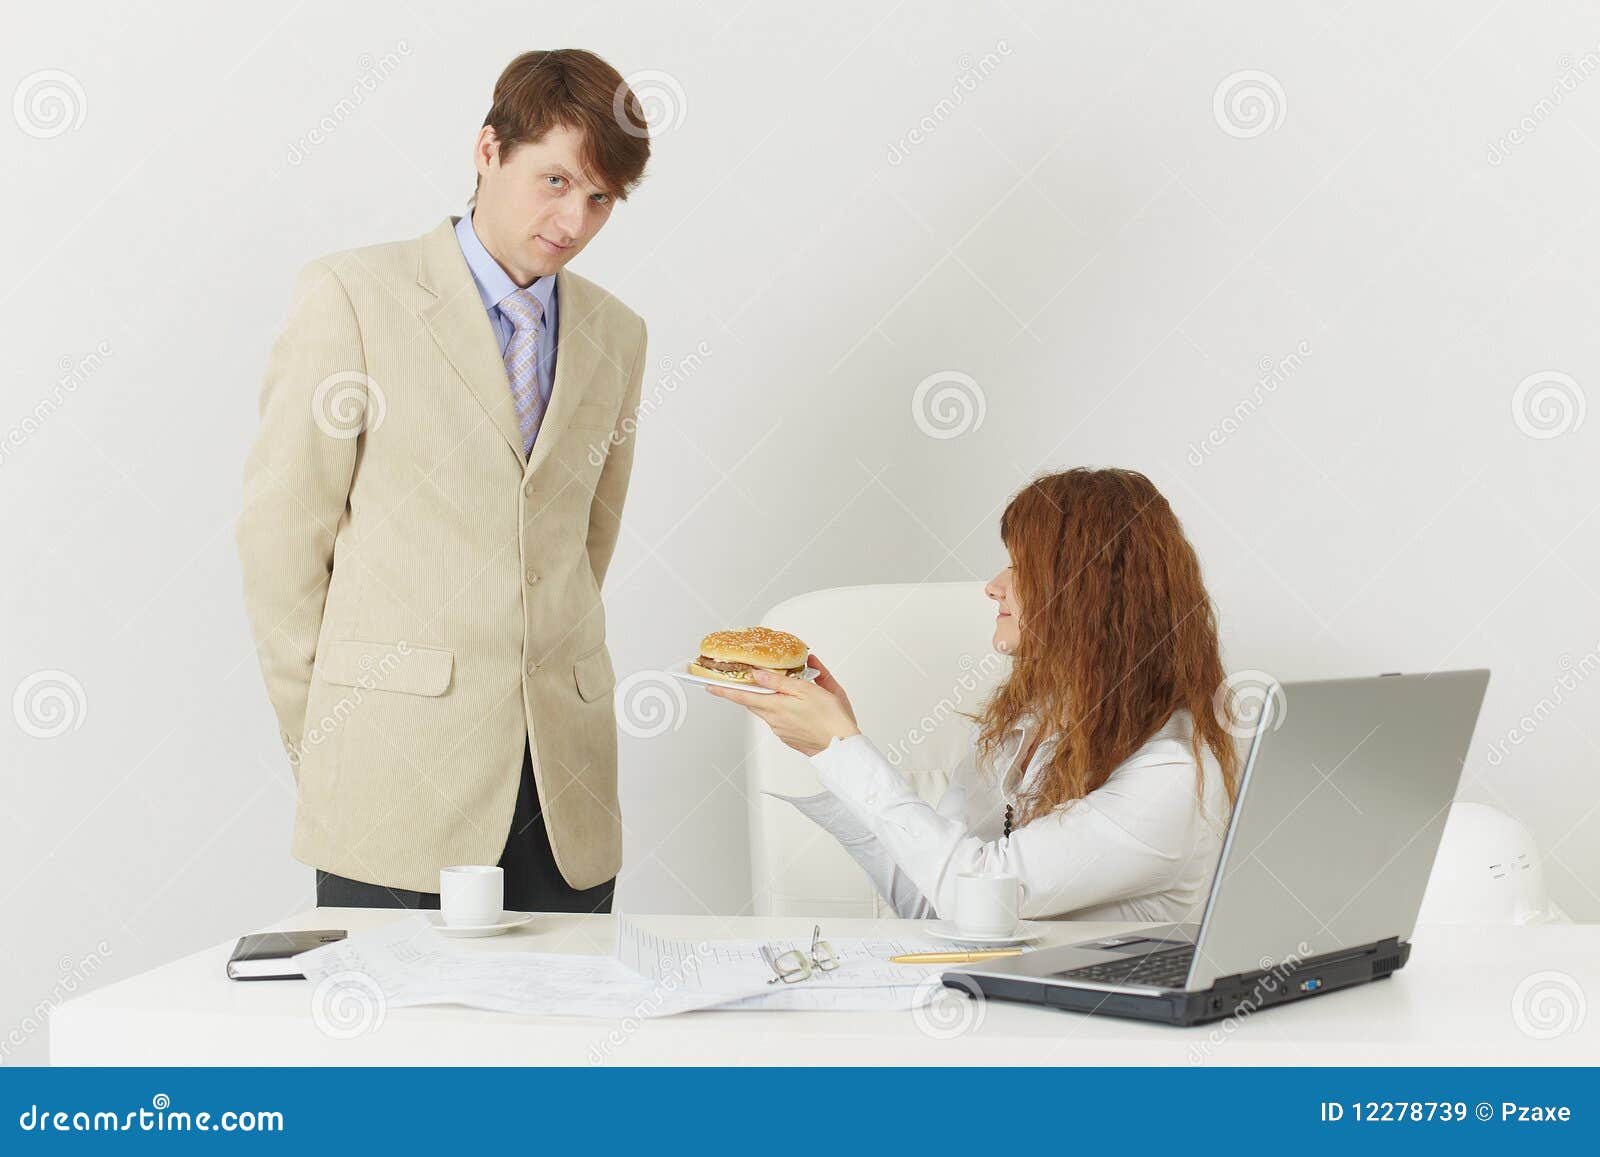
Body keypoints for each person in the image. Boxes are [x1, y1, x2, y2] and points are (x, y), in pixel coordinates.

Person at [237, 50, 652, 913]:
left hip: (563, 797)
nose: (573, 220)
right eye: (555, 181)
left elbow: (584, 543)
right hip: (393, 780)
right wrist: (326, 740)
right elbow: (282, 542)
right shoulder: (353, 296)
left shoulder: (618, 333)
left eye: (601, 199)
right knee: (393, 1008)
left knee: (566, 1004)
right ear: (488, 150)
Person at [706, 467, 1242, 923]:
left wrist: (843, 750)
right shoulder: (1025, 726)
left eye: (1021, 567)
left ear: (1089, 593)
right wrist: (823, 746)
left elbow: (980, 895)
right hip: (992, 997)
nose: (993, 585)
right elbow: (928, 905)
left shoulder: (1174, 776)